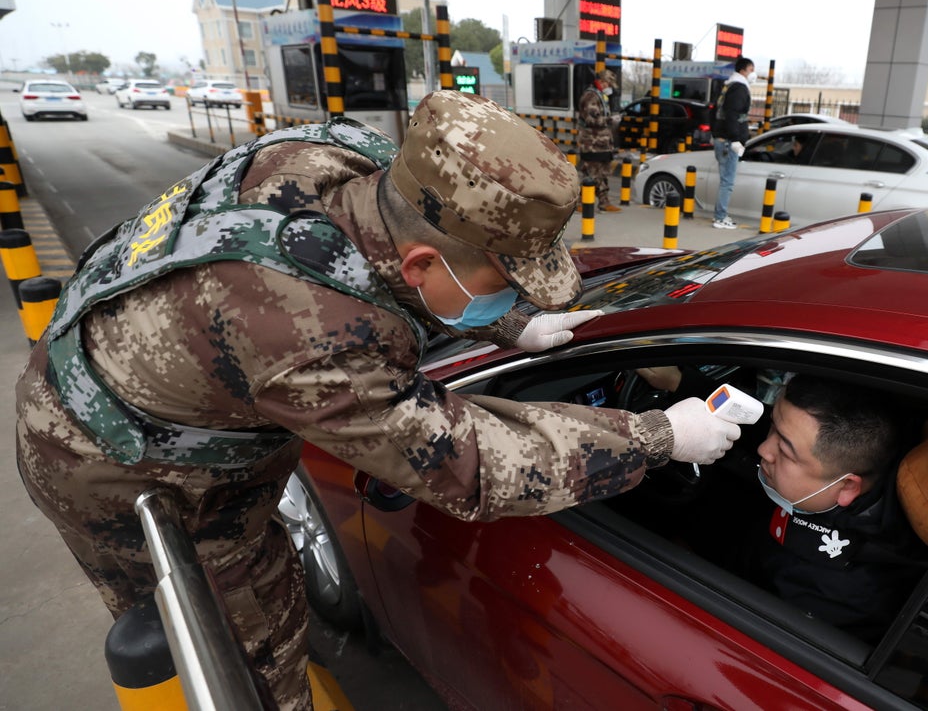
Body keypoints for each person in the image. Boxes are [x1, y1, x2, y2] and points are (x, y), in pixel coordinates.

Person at [14, 91, 744, 710]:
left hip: (146, 358)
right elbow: (468, 462)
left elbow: (390, 265)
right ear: (425, 261)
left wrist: (514, 322)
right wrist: (658, 436)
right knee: (239, 637)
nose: (516, 295)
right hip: (111, 457)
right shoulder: (309, 334)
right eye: (508, 283)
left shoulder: (350, 159)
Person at [745, 374, 928, 642]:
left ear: (847, 488)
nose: (763, 449)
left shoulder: (838, 597)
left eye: (784, 452)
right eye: (773, 426)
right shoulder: (859, 452)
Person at [710, 57, 755, 229]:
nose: (753, 73)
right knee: (727, 181)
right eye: (751, 69)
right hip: (729, 141)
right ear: (743, 70)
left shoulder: (729, 85)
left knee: (725, 180)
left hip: (722, 138)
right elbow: (732, 115)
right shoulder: (739, 88)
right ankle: (720, 217)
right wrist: (736, 139)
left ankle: (720, 215)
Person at [577, 69, 621, 212]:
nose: (609, 87)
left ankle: (602, 202)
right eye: (608, 83)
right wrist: (610, 120)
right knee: (593, 173)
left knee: (599, 173)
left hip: (602, 143)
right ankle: (582, 202)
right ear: (602, 82)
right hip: (592, 143)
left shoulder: (600, 96)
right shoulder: (590, 96)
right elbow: (591, 119)